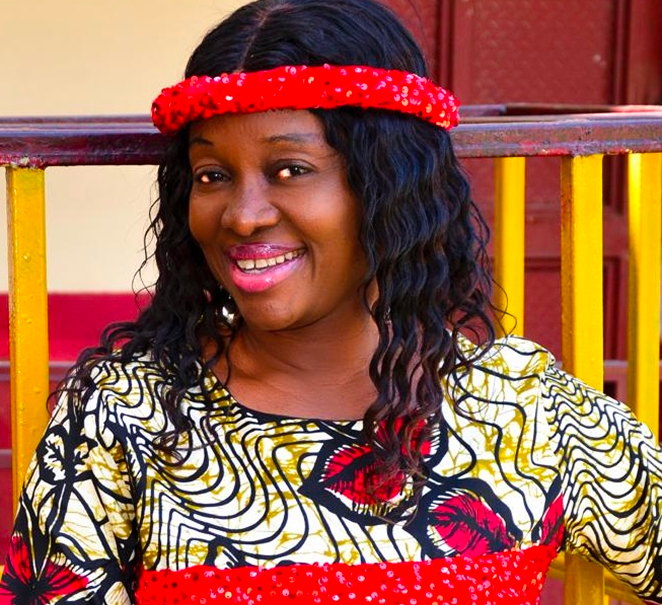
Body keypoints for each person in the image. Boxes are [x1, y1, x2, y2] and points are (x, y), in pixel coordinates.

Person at [1, 0, 661, 603]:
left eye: (291, 169)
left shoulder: (522, 408)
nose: (243, 215)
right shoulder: (129, 413)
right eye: (213, 175)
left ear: (388, 187)